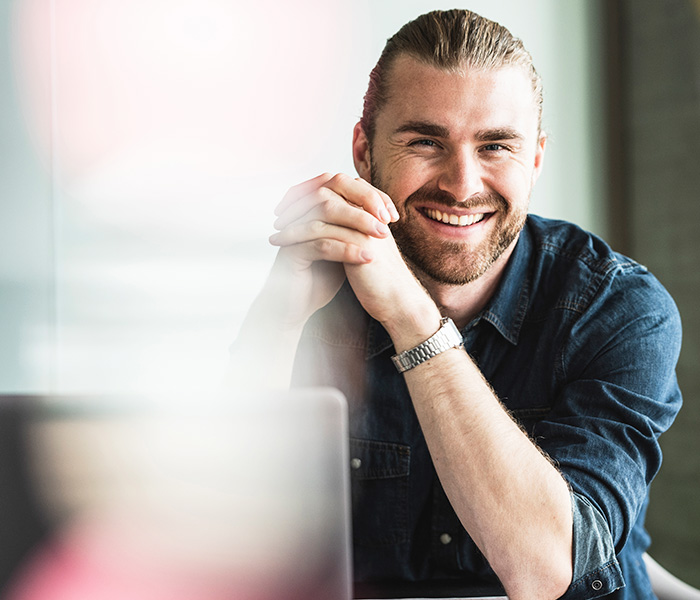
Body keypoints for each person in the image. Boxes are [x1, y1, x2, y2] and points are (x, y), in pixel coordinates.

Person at [232, 9, 682, 600]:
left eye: (496, 145)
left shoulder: (619, 309)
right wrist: (277, 321)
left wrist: (412, 318)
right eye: (425, 141)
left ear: (537, 160)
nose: (462, 184)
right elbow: (225, 540)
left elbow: (548, 570)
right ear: (364, 152)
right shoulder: (306, 287)